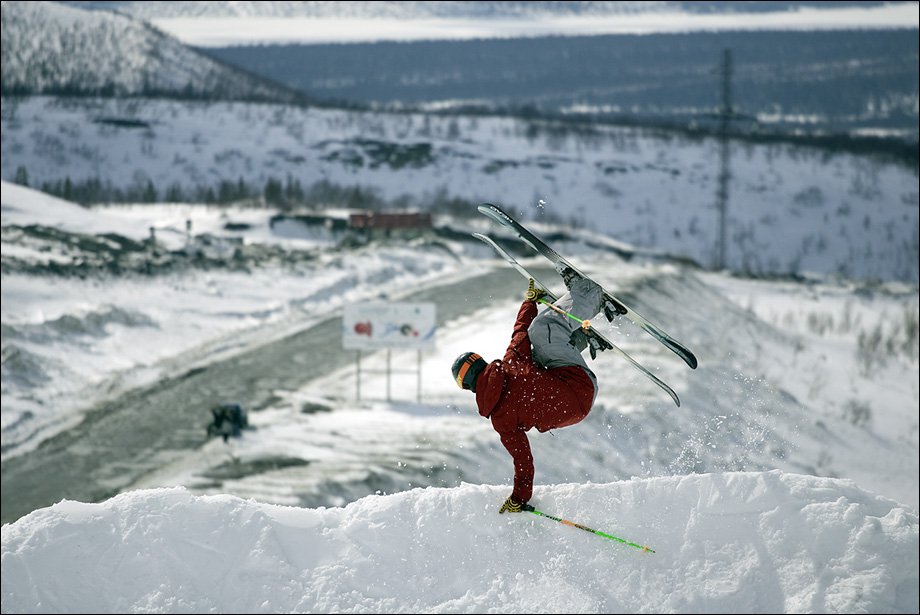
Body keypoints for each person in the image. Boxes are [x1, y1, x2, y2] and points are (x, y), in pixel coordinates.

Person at [451, 269, 605, 514]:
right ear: (480, 361)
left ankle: (584, 337)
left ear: (468, 386)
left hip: (576, 408)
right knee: (542, 329)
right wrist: (529, 301)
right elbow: (521, 331)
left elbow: (523, 460)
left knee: (535, 362)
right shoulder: (510, 363)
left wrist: (519, 497)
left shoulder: (500, 420)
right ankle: (590, 294)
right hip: (576, 382)